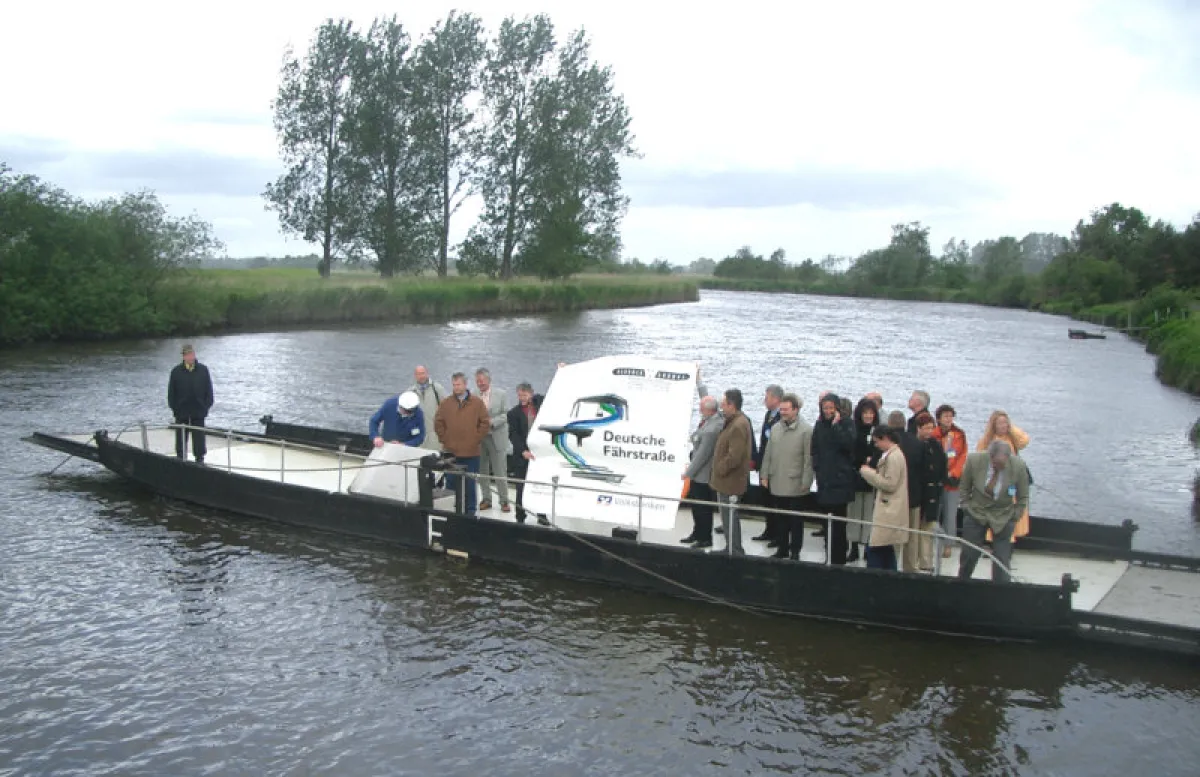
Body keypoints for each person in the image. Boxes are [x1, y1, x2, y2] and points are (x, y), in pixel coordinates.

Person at [957, 440, 1030, 583]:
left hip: (1003, 515)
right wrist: (966, 506)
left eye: (1003, 464)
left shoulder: (1019, 466)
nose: (999, 467)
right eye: (996, 464)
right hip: (976, 512)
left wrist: (1015, 515)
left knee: (1002, 558)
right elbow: (964, 487)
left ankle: (1001, 590)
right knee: (969, 554)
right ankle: (962, 583)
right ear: (990, 456)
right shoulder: (974, 460)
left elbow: (1023, 496)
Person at [759, 393, 814, 560]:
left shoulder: (806, 430)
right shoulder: (776, 428)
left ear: (795, 410)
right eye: (781, 409)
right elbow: (768, 453)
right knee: (781, 519)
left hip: (795, 482)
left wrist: (807, 481)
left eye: (786, 409)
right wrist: (764, 474)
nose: (782, 412)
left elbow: (808, 458)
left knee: (796, 521)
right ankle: (782, 548)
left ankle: (795, 551)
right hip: (777, 480)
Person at [434, 373, 490, 516]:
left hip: (471, 453)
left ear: (465, 385)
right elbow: (438, 423)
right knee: (451, 483)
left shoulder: (477, 403)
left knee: (470, 485)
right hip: (450, 453)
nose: (456, 387)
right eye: (453, 385)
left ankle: (470, 511)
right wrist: (445, 439)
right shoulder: (446, 403)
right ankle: (451, 510)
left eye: (458, 384)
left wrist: (475, 438)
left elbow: (485, 423)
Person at [810, 393, 856, 566]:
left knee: (839, 522)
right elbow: (814, 447)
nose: (828, 411)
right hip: (825, 479)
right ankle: (829, 555)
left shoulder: (846, 424)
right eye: (825, 408)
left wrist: (836, 426)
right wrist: (817, 466)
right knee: (827, 520)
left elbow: (849, 444)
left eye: (831, 408)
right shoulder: (819, 425)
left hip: (841, 481)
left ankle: (839, 558)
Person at [858, 426, 910, 571]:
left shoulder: (893, 457)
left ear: (885, 438)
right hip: (891, 509)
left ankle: (875, 577)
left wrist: (868, 473)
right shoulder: (895, 454)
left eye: (877, 442)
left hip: (888, 510)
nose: (876, 445)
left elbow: (890, 484)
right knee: (886, 548)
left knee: (876, 547)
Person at [709, 389, 753, 556]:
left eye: (724, 404)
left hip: (730, 481)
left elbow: (735, 455)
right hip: (726, 481)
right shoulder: (734, 422)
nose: (721, 407)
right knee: (727, 517)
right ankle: (731, 547)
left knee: (730, 517)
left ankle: (734, 549)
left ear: (731, 405)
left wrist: (720, 467)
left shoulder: (738, 425)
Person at [977, 410, 1031, 541]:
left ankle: (1009, 539)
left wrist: (1011, 428)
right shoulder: (987, 440)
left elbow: (1024, 440)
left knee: (1011, 510)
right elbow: (980, 459)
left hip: (1011, 482)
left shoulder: (1011, 438)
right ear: (993, 425)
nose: (1003, 425)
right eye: (1000, 423)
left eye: (1005, 423)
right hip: (994, 482)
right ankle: (991, 540)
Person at [681, 395, 724, 549]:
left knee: (703, 508)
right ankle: (697, 532)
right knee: (696, 506)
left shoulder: (713, 429)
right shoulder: (709, 421)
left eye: (701, 408)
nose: (699, 410)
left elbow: (702, 455)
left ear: (708, 410)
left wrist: (688, 473)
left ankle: (705, 537)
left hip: (704, 475)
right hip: (698, 474)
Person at [847, 397, 881, 563]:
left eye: (871, 413)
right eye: (865, 413)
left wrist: (872, 461)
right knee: (853, 513)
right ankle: (853, 547)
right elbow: (851, 453)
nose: (868, 416)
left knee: (869, 514)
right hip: (856, 475)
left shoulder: (878, 432)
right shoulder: (854, 430)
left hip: (872, 477)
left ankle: (868, 547)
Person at [167, 343, 214, 464]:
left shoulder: (203, 370)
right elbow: (171, 394)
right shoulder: (176, 372)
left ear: (194, 354)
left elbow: (209, 391)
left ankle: (200, 459)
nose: (189, 357)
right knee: (181, 438)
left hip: (198, 410)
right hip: (181, 411)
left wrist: (205, 407)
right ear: (183, 356)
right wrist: (175, 409)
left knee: (199, 437)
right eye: (187, 354)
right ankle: (181, 458)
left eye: (191, 354)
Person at [933, 404, 969, 559]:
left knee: (950, 514)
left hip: (952, 482)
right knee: (934, 513)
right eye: (945, 416)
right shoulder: (933, 434)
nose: (948, 419)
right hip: (936, 480)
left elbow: (962, 456)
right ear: (939, 418)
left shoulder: (959, 434)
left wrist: (953, 473)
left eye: (950, 416)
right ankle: (933, 542)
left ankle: (948, 545)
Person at [506, 382, 545, 525]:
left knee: (541, 486)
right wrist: (523, 451)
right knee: (521, 487)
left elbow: (554, 393)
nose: (522, 398)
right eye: (520, 395)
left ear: (531, 393)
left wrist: (560, 370)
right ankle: (520, 515)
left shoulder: (540, 404)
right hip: (522, 455)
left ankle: (542, 515)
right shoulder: (513, 413)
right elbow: (513, 435)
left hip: (539, 455)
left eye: (525, 395)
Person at [752, 385, 785, 546]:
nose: (765, 400)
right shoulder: (768, 415)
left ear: (776, 399)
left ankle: (779, 534)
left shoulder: (782, 417)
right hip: (764, 464)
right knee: (766, 499)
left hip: (776, 467)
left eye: (767, 397)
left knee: (775, 501)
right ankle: (769, 529)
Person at [474, 368, 510, 513]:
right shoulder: (474, 395)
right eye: (477, 381)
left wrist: (492, 421)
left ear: (489, 380)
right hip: (481, 438)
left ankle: (504, 501)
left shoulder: (501, 394)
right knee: (483, 470)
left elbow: (506, 414)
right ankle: (486, 499)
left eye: (482, 381)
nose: (480, 383)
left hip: (496, 437)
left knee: (499, 470)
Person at [915, 412, 947, 571]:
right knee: (915, 528)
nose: (929, 431)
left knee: (928, 528)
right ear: (918, 428)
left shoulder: (936, 445)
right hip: (918, 493)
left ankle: (926, 562)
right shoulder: (915, 445)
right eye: (925, 428)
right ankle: (914, 559)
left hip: (933, 492)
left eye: (931, 428)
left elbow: (943, 466)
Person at [408, 366, 447, 451]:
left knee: (435, 460)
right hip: (417, 435)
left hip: (435, 435)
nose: (421, 376)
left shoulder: (437, 389)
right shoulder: (410, 392)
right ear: (415, 376)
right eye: (418, 374)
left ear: (427, 373)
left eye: (423, 373)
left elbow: (447, 410)